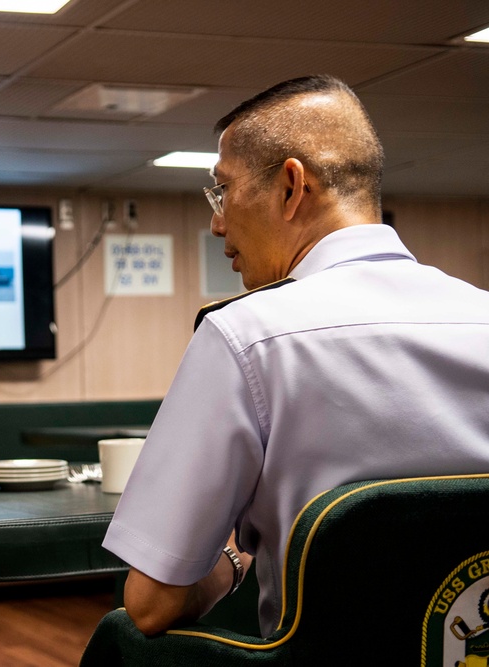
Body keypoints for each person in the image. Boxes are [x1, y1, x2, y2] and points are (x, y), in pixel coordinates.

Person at [101, 75, 489, 638]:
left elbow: (153, 604)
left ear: (291, 185)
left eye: (222, 190)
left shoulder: (245, 336)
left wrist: (236, 555)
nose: (217, 222)